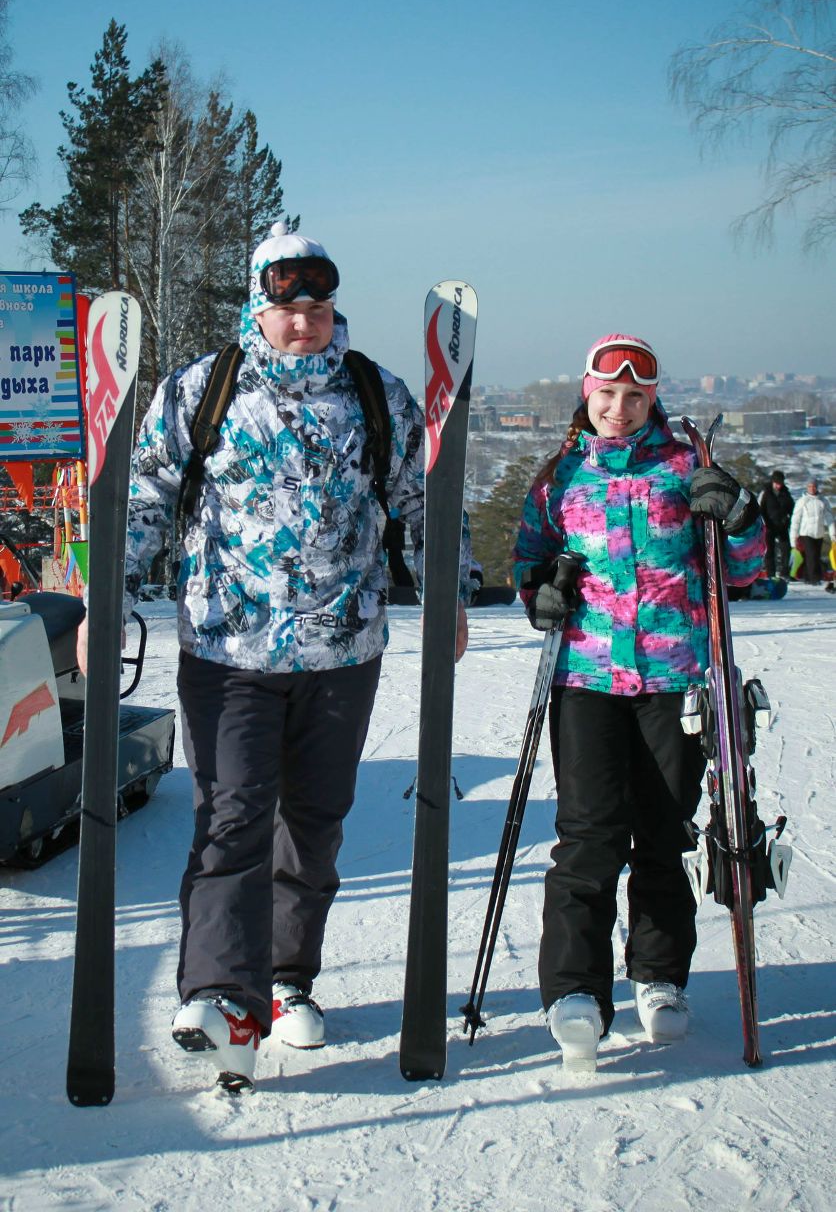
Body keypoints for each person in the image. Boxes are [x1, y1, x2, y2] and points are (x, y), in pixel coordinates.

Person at [77, 221, 473, 1092]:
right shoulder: (204, 388)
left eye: (319, 308)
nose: (305, 322)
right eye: (288, 307)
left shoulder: (376, 393)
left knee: (315, 824)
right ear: (258, 306)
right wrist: (106, 600)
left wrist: (450, 590)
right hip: (228, 649)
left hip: (342, 650)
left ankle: (289, 979)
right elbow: (143, 496)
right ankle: (220, 992)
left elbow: (427, 498)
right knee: (232, 814)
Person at [513, 334, 765, 1070]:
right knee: (588, 836)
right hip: (586, 681)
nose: (619, 408)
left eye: (634, 396)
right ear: (586, 395)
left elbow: (742, 571)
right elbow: (529, 563)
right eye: (607, 394)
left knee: (663, 831)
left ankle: (659, 976)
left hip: (674, 679)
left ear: (652, 400)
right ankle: (575, 990)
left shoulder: (686, 468)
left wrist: (738, 515)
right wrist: (542, 593)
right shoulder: (560, 476)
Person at [789, 478, 835, 586]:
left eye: (814, 486)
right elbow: (795, 520)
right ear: (807, 487)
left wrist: (833, 534)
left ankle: (807, 577)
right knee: (811, 555)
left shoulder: (823, 501)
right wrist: (793, 537)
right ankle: (814, 578)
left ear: (817, 487)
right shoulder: (802, 501)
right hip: (806, 533)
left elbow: (829, 518)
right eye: (809, 486)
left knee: (814, 556)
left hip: (819, 534)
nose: (812, 488)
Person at [757, 469, 793, 579]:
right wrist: (765, 523)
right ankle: (771, 573)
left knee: (786, 549)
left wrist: (787, 520)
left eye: (780, 483)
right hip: (769, 526)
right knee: (769, 551)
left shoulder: (786, 493)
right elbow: (760, 509)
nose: (779, 486)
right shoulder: (765, 493)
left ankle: (784, 573)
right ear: (773, 482)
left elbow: (792, 509)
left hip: (782, 526)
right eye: (777, 483)